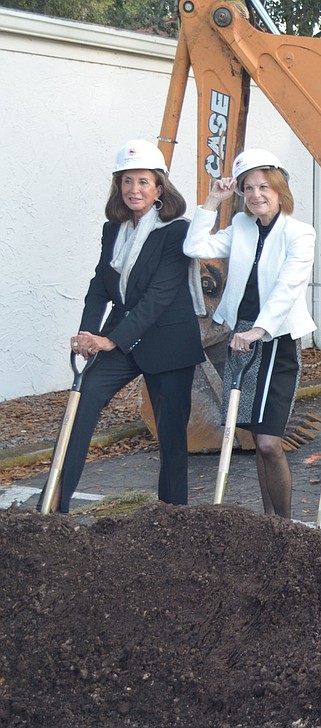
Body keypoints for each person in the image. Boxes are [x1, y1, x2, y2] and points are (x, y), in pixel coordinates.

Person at [46, 139, 204, 512]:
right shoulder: (113, 229)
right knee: (81, 405)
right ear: (118, 186)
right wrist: (88, 333)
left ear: (160, 188)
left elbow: (160, 296)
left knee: (171, 437)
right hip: (121, 338)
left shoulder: (176, 231)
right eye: (127, 181)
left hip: (167, 341)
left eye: (144, 182)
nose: (135, 190)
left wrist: (111, 340)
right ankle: (54, 508)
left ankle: (172, 517)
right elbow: (101, 283)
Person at [184, 149, 316, 519]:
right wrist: (212, 200)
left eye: (264, 186)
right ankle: (268, 521)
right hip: (241, 338)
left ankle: (284, 524)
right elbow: (194, 247)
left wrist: (260, 329)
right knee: (256, 439)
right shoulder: (241, 227)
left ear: (278, 189)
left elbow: (290, 285)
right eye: (248, 188)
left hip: (275, 339)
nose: (257, 194)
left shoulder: (300, 233)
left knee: (270, 441)